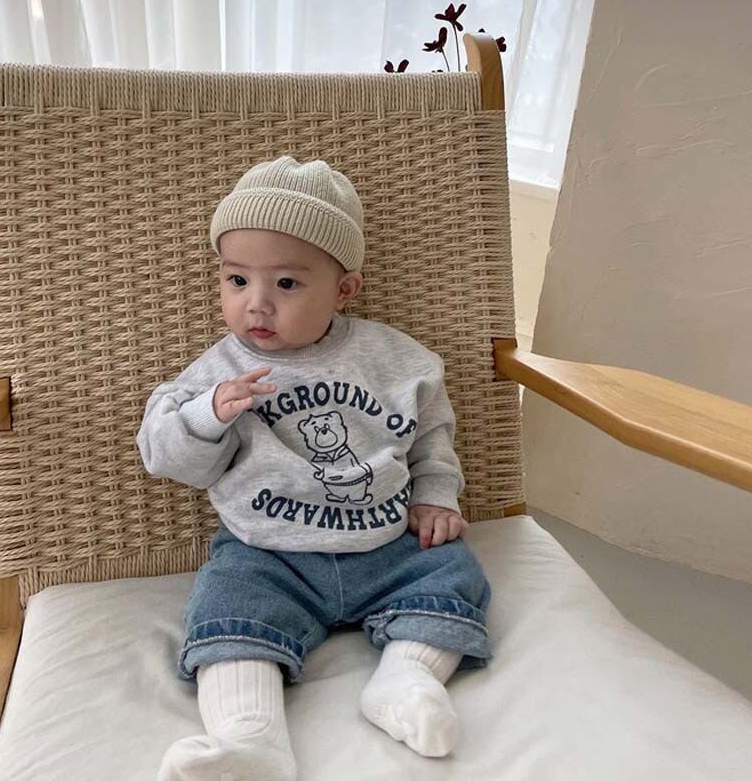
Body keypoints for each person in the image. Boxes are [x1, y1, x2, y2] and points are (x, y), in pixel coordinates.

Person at [136, 155, 493, 781]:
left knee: (453, 576)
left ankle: (406, 681)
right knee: (226, 607)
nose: (256, 305)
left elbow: (432, 435)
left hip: (389, 544)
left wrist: (437, 495)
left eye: (286, 284)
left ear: (344, 289)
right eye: (236, 280)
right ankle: (251, 739)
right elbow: (169, 460)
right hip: (268, 554)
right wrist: (205, 416)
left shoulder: (398, 359)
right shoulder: (218, 371)